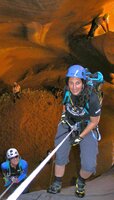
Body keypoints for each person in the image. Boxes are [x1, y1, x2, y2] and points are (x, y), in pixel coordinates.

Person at [47, 65, 102, 198]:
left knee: (89, 166)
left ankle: (81, 181)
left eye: (77, 82)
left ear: (83, 82)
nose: (74, 86)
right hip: (68, 123)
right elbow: (65, 103)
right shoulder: (67, 89)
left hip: (86, 126)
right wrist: (64, 115)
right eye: (71, 82)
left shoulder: (92, 98)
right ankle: (57, 182)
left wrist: (80, 137)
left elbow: (95, 121)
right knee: (60, 153)